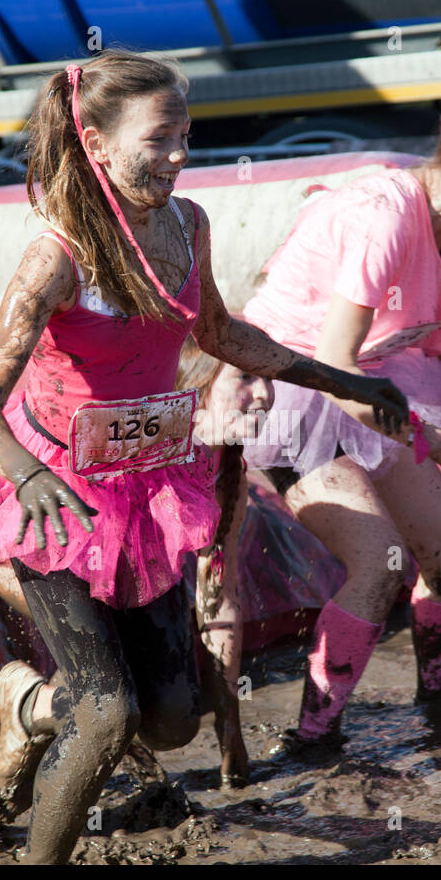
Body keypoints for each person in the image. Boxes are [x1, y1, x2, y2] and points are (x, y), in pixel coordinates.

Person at [0, 49, 408, 863]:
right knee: (107, 716)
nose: (179, 156)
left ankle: (25, 704)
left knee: (172, 720)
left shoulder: (189, 226)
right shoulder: (55, 257)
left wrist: (340, 379)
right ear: (95, 143)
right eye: (160, 138)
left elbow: (221, 335)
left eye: (186, 136)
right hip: (56, 493)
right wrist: (27, 477)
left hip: (150, 490)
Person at [239, 93, 441, 752]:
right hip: (288, 390)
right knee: (379, 560)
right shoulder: (384, 217)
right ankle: (312, 739)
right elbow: (332, 363)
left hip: (373, 387)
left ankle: (440, 716)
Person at [175, 337, 272, 787]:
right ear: (200, 385)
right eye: (247, 377)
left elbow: (219, 597)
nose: (266, 395)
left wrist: (229, 729)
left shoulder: (226, 466)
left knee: (175, 716)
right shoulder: (162, 455)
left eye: (270, 379)